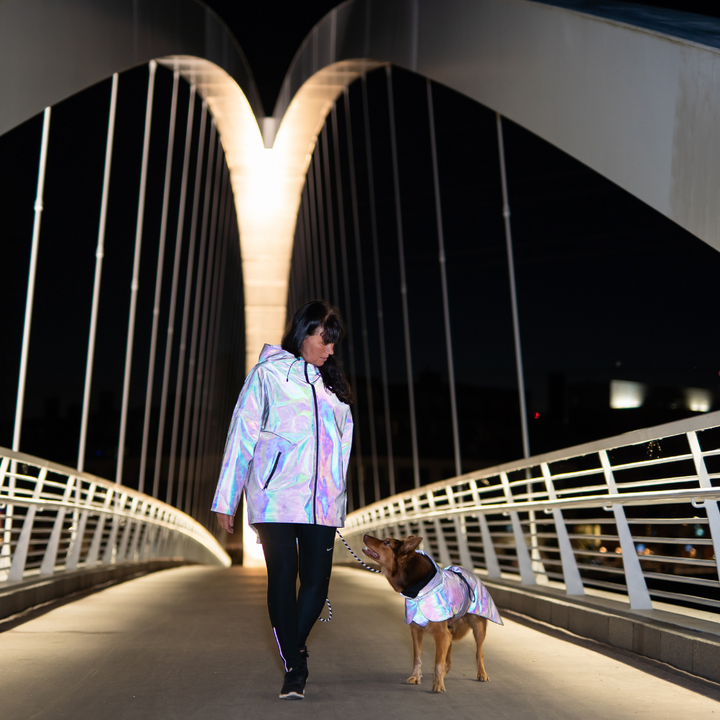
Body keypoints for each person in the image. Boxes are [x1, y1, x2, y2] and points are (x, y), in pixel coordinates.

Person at [212, 300, 354, 700]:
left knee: (316, 584)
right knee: (282, 579)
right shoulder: (268, 374)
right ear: (303, 333)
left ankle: (295, 644)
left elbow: (341, 452)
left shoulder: (333, 388)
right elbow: (242, 433)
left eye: (333, 343)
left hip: (321, 504)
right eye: (324, 340)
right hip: (274, 498)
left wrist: (336, 499)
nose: (329, 350)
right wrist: (228, 497)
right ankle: (294, 666)